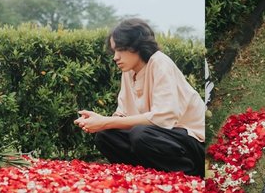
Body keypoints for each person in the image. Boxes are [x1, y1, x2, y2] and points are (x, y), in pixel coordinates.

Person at [74, 18, 205, 177]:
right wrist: (100, 121)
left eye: (120, 49)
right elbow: (123, 115)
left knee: (140, 134)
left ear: (137, 46)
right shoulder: (128, 72)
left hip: (192, 143)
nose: (115, 57)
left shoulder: (159, 63)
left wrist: (105, 122)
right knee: (105, 136)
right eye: (114, 51)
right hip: (158, 138)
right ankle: (144, 176)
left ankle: (189, 175)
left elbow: (163, 119)